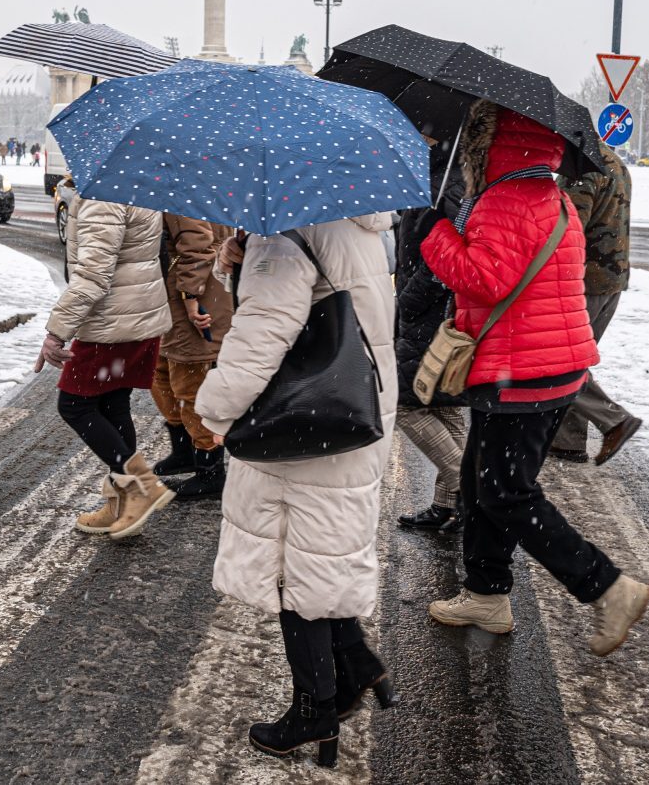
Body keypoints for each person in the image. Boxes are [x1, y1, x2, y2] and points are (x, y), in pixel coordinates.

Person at [420, 100, 649, 657]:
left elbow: (485, 280)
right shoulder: (553, 198)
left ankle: (606, 586)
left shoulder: (506, 201)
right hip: (549, 367)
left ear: (489, 146)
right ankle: (486, 591)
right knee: (482, 480)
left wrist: (436, 236)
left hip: (521, 373)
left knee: (505, 493)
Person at [195, 212, 399, 765]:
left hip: (303, 422)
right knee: (320, 556)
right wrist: (235, 257)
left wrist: (213, 410)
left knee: (295, 574)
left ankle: (315, 711)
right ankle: (354, 662)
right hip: (351, 403)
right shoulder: (359, 222)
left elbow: (263, 330)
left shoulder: (284, 230)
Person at [41, 195, 174, 540]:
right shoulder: (135, 181)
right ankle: (120, 503)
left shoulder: (104, 195)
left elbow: (95, 275)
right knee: (113, 404)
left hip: (110, 322)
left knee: (74, 404)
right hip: (136, 315)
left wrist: (56, 332)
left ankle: (140, 488)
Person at [550, 141, 643, 465]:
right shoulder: (615, 162)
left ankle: (614, 420)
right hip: (612, 278)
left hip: (584, 280)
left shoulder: (581, 169)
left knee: (563, 360)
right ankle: (568, 441)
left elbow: (567, 226)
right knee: (574, 358)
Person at [394, 138, 469, 532]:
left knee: (406, 404)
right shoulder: (436, 174)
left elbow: (450, 255)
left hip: (430, 312)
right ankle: (447, 505)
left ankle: (464, 485)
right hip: (430, 311)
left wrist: (409, 298)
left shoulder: (448, 180)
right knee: (444, 405)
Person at [150, 213, 236, 500]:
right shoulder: (195, 178)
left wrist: (191, 295)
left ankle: (209, 469)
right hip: (188, 291)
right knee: (161, 370)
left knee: (189, 381)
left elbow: (197, 243)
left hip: (197, 294)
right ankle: (185, 449)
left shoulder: (185, 182)